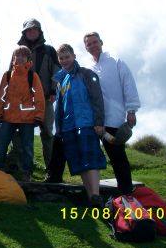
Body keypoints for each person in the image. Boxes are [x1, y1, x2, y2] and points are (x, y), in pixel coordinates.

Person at [83, 32, 140, 195]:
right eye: (89, 44)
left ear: (101, 42)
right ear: (86, 48)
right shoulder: (87, 68)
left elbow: (128, 85)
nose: (93, 46)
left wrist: (131, 110)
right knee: (91, 154)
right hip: (95, 120)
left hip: (114, 119)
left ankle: (126, 192)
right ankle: (92, 191)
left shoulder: (116, 62)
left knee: (117, 157)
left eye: (95, 42)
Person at [54, 44, 106, 207]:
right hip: (69, 127)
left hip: (86, 124)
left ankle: (96, 194)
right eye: (61, 58)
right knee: (79, 161)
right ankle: (91, 197)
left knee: (90, 158)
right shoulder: (61, 80)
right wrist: (59, 129)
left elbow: (97, 99)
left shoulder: (86, 74)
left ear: (74, 56)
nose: (64, 61)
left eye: (67, 57)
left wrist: (98, 122)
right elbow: (59, 108)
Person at [16, 19, 60, 180]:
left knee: (48, 133)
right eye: (29, 30)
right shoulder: (19, 51)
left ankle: (51, 170)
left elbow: (57, 71)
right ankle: (24, 170)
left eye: (35, 29)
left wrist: (54, 90)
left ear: (39, 31)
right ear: (24, 33)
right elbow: (11, 72)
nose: (32, 32)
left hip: (46, 98)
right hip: (23, 101)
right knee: (22, 133)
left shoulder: (49, 50)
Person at [0, 46, 45, 182]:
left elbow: (39, 96)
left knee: (27, 147)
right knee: (1, 145)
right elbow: (1, 96)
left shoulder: (32, 76)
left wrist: (38, 115)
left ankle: (27, 173)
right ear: (14, 58)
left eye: (23, 56)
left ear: (28, 59)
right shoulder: (7, 75)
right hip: (8, 116)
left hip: (26, 118)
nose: (20, 58)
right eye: (17, 55)